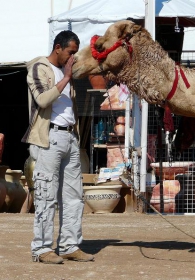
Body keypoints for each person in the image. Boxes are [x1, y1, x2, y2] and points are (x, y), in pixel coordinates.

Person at [22, 30, 94, 264]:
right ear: (58, 48)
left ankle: (69, 245)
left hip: (69, 138)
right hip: (48, 138)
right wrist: (66, 77)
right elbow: (42, 100)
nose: (72, 57)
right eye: (70, 52)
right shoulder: (38, 67)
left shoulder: (65, 71)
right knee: (46, 195)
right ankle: (42, 249)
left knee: (74, 196)